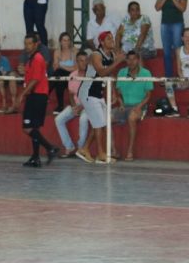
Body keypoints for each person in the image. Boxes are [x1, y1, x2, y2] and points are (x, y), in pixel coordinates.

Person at [77, 30, 126, 163]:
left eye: (112, 38)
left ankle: (84, 149)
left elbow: (110, 74)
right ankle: (100, 154)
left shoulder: (112, 55)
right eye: (109, 39)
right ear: (102, 42)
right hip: (88, 92)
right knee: (99, 124)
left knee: (102, 122)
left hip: (98, 93)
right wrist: (118, 61)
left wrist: (114, 92)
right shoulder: (96, 55)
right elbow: (102, 72)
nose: (112, 41)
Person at [16, 33, 58, 167]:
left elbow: (35, 80)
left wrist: (22, 94)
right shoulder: (32, 59)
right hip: (36, 95)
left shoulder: (37, 58)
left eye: (30, 43)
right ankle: (35, 157)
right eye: (25, 44)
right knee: (34, 127)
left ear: (36, 45)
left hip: (37, 95)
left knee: (27, 128)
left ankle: (50, 148)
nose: (27, 46)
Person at [113, 50, 154, 161]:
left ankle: (130, 151)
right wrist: (121, 103)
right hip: (124, 105)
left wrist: (139, 106)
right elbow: (118, 93)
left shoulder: (146, 73)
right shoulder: (121, 72)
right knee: (106, 118)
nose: (131, 62)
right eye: (129, 59)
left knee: (132, 117)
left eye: (134, 59)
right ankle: (113, 150)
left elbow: (148, 95)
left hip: (140, 106)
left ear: (138, 60)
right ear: (126, 60)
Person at [55, 50, 90, 159]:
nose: (84, 63)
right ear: (77, 62)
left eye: (86, 60)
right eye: (81, 61)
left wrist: (82, 106)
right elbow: (70, 94)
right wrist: (74, 106)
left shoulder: (92, 76)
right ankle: (69, 147)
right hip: (76, 104)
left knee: (83, 119)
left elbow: (93, 95)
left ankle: (80, 148)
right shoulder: (72, 75)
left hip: (88, 105)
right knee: (58, 119)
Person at [154, 0, 187, 78]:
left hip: (177, 24)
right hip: (165, 25)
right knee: (167, 52)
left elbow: (182, 8)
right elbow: (157, 8)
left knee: (178, 50)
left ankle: (180, 75)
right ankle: (169, 78)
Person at [165, 27, 189, 117]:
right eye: (185, 36)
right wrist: (182, 79)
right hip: (183, 79)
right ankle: (174, 109)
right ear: (182, 38)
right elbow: (179, 68)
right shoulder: (178, 50)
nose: (187, 38)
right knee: (168, 83)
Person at [50, 31, 77, 114]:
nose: (66, 42)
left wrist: (61, 66)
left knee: (59, 74)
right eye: (64, 40)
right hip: (62, 77)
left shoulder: (74, 51)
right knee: (59, 79)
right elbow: (55, 67)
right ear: (60, 42)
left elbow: (75, 68)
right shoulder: (57, 52)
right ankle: (60, 106)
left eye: (68, 40)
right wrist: (65, 67)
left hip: (72, 77)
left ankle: (47, 93)